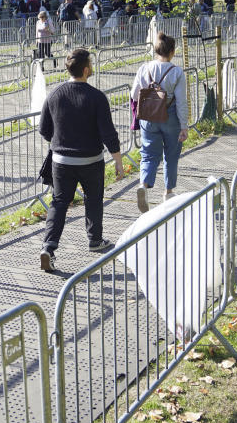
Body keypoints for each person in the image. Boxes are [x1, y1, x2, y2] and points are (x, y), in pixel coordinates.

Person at [38, 49, 124, 272]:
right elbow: (108, 133)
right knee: (93, 199)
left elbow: (44, 130)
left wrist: (60, 141)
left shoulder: (54, 94)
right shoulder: (97, 97)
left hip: (61, 161)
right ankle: (95, 240)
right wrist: (118, 160)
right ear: (86, 70)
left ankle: (49, 247)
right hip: (91, 160)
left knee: (59, 203)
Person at [131, 32, 188, 213]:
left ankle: (144, 185)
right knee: (171, 155)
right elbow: (181, 102)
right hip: (170, 116)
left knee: (148, 153)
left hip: (148, 115)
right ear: (172, 51)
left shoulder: (144, 68)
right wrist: (184, 126)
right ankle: (168, 192)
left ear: (156, 50)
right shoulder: (177, 72)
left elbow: (134, 94)